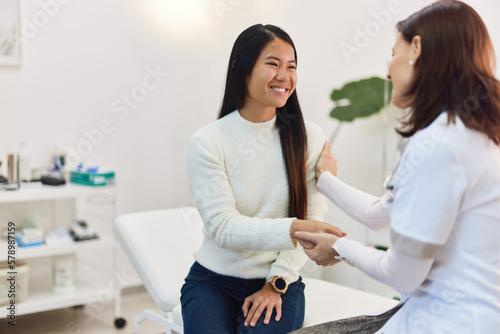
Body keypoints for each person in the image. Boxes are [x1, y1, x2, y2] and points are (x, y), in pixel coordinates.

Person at [293, 1, 500, 333]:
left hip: (447, 322)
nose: (388, 71)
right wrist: (324, 179)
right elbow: (381, 213)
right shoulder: (473, 134)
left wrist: (341, 248)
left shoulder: (439, 147)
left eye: (393, 54)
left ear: (416, 48)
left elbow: (402, 273)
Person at [181, 24, 344, 334]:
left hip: (279, 282)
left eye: (291, 66)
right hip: (211, 281)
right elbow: (224, 227)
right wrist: (297, 228)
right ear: (242, 69)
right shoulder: (208, 142)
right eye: (273, 64)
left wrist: (276, 282)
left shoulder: (309, 137)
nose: (284, 75)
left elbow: (312, 215)